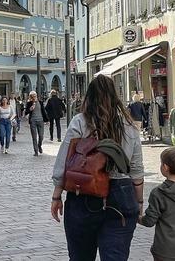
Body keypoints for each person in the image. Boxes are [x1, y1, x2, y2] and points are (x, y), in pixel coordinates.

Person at [51, 75, 144, 261]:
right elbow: (136, 170)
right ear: (115, 96)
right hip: (121, 195)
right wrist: (139, 202)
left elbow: (65, 162)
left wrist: (56, 196)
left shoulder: (80, 121)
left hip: (83, 193)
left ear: (89, 97)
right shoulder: (129, 125)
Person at [25, 91, 48, 156]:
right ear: (30, 97)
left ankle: (39, 145)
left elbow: (43, 111)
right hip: (33, 121)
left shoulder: (40, 102)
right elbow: (26, 112)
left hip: (40, 120)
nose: (34, 97)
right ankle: (36, 151)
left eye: (34, 96)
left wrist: (47, 120)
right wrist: (30, 109)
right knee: (34, 137)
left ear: (36, 96)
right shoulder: (29, 103)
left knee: (41, 136)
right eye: (32, 96)